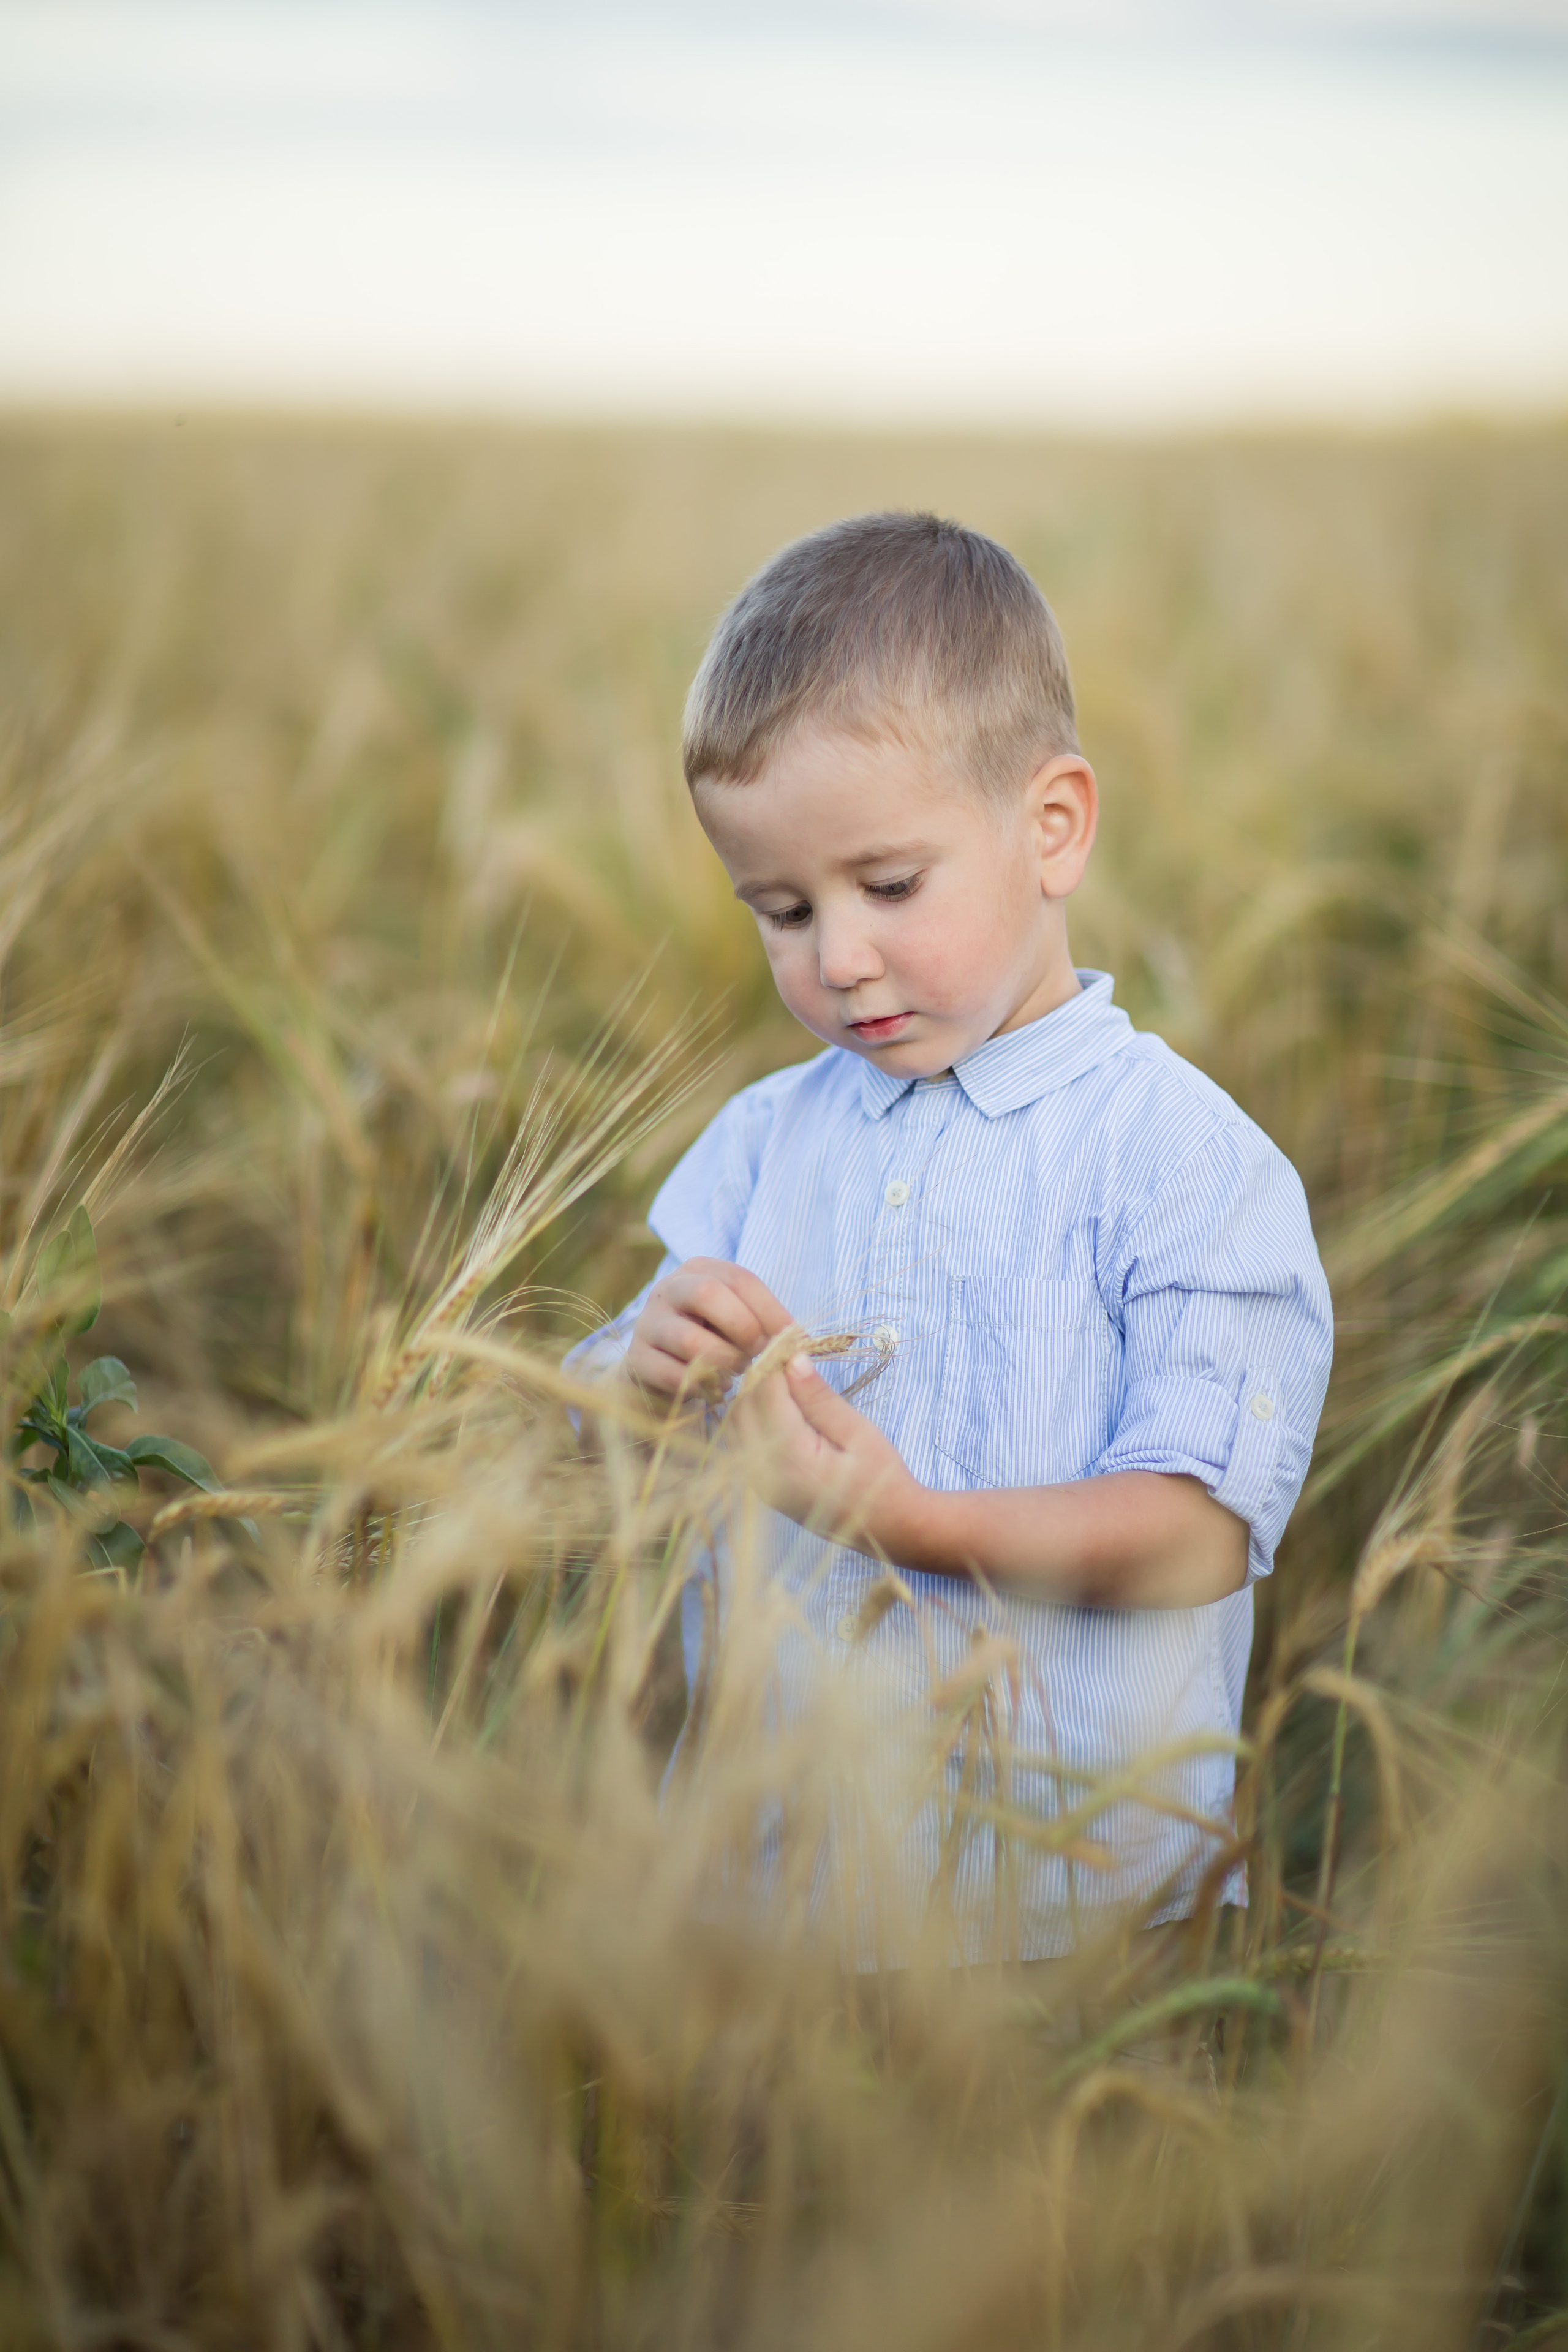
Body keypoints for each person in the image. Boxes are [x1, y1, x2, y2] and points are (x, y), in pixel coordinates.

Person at [570, 511, 1333, 1961]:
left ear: (1050, 827)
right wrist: (633, 1373)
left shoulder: (1184, 1163)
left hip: (1077, 1917)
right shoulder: (758, 1145)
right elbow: (613, 1458)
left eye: (888, 887)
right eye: (780, 911)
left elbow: (1193, 1532)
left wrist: (909, 1525)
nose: (836, 957)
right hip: (780, 1899)